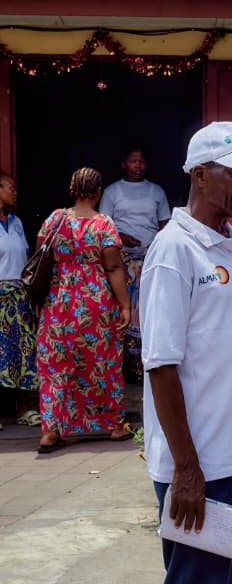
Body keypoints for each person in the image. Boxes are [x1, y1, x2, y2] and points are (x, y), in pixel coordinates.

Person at [140, 121, 232, 584]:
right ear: (200, 175)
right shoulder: (173, 250)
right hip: (202, 469)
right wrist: (186, 468)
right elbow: (161, 366)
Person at [35, 167, 132, 454]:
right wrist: (125, 305)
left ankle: (51, 430)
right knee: (102, 361)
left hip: (58, 302)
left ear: (72, 189)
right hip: (95, 304)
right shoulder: (104, 224)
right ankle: (114, 425)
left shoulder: (54, 219)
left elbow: (40, 256)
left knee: (55, 364)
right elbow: (113, 267)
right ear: (99, 192)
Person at [99, 147, 171, 384]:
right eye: (133, 161)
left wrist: (159, 246)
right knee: (123, 310)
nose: (138, 165)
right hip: (120, 261)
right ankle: (120, 366)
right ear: (124, 164)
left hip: (150, 258)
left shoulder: (156, 191)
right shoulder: (112, 192)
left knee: (147, 311)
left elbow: (166, 225)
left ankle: (144, 365)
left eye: (142, 161)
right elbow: (103, 226)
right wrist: (121, 236)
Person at [0, 173, 38, 428]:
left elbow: (26, 257)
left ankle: (24, 409)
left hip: (19, 294)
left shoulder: (16, 223)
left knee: (24, 351)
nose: (14, 192)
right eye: (9, 188)